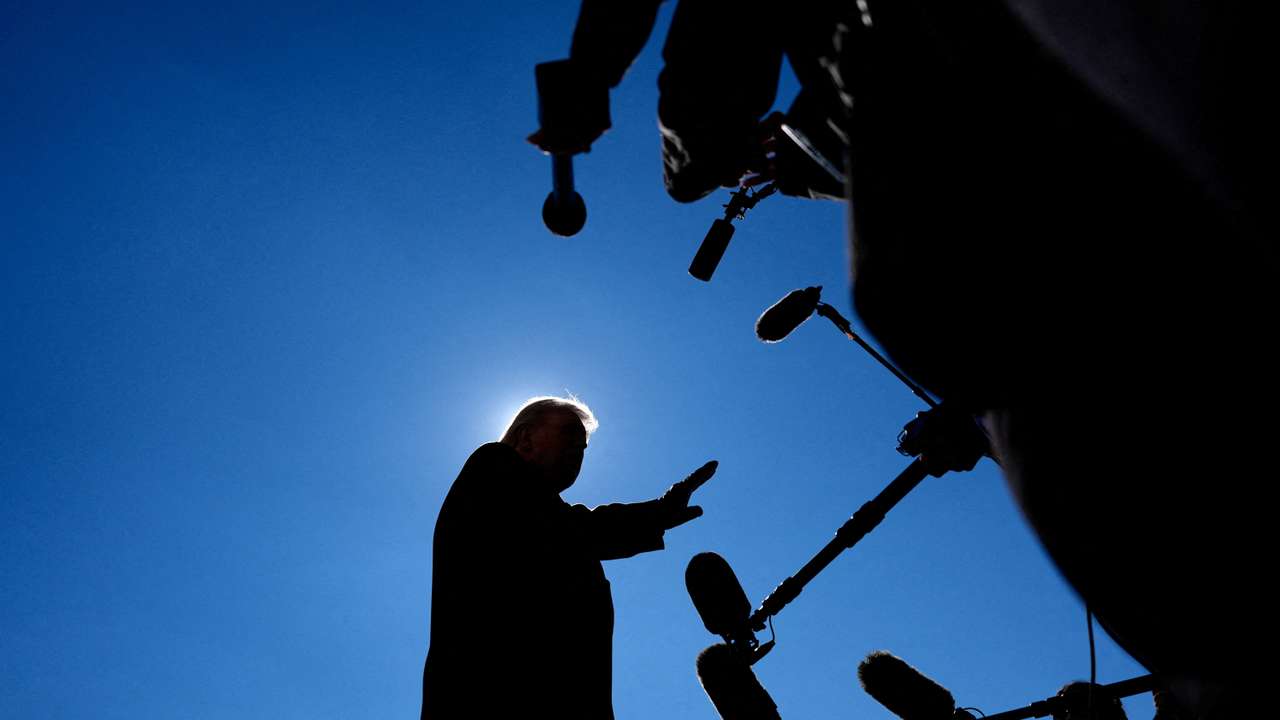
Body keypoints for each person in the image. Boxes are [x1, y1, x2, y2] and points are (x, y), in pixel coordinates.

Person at [421, 396, 717, 719]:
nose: (580, 449)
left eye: (584, 446)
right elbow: (574, 528)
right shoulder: (493, 466)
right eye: (568, 435)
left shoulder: (556, 530)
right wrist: (657, 512)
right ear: (525, 438)